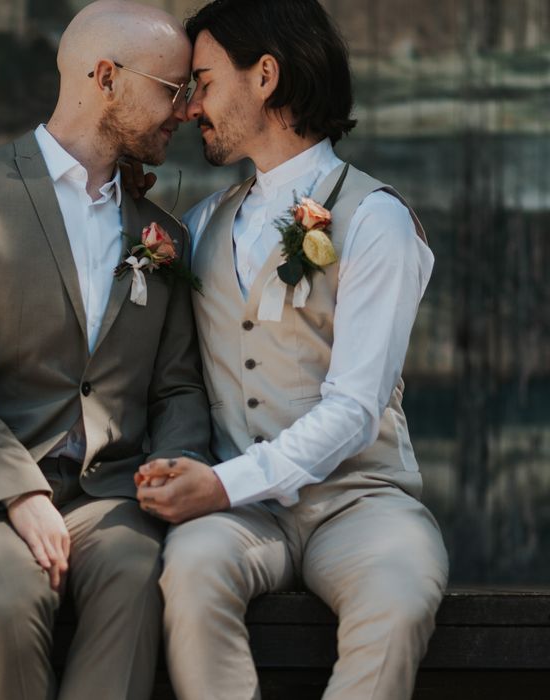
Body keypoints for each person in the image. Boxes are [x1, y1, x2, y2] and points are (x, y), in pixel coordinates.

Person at [0, 2, 210, 699]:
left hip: (111, 499)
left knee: (138, 579)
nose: (185, 110)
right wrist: (17, 488)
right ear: (105, 76)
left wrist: (173, 472)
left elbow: (176, 386)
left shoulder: (162, 231)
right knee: (9, 599)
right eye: (173, 90)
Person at [135, 1, 449, 698]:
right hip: (246, 517)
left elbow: (356, 409)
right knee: (188, 572)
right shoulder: (201, 224)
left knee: (397, 599)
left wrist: (220, 483)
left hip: (360, 504)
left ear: (266, 77)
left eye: (206, 83)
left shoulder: (375, 220)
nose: (191, 110)